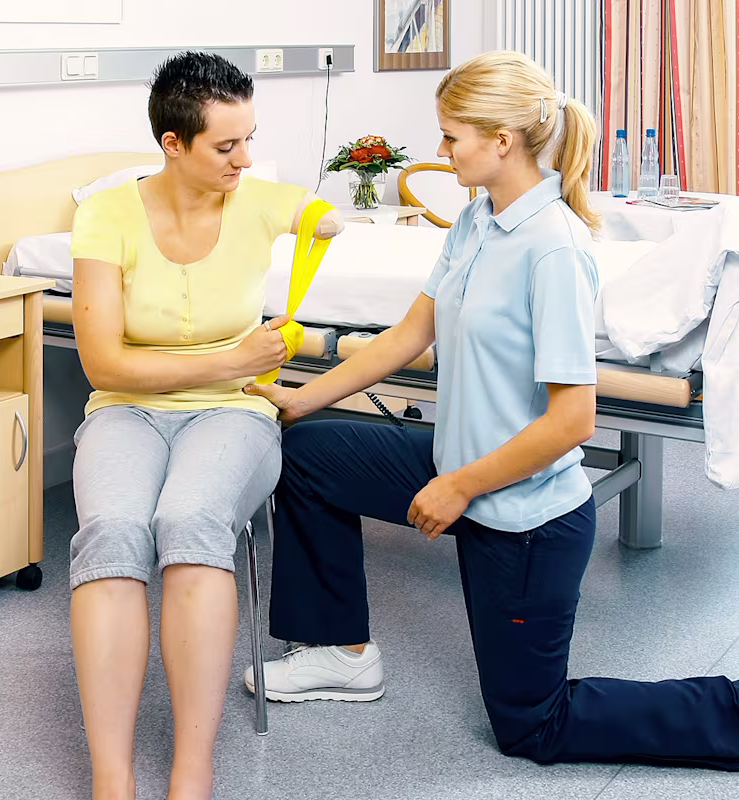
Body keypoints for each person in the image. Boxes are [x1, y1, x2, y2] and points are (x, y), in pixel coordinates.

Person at [243, 51, 739, 770]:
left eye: (451, 137)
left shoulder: (555, 250)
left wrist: (460, 487)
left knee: (533, 726)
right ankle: (339, 653)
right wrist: (302, 398)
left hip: (525, 515)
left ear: (501, 141)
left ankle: (727, 714)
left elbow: (573, 422)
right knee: (312, 455)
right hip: (457, 466)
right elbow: (412, 334)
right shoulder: (478, 220)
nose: (442, 154)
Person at [69, 51, 343, 800]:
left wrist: (328, 219)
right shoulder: (105, 214)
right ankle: (111, 777)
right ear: (172, 144)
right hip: (125, 412)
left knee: (189, 521)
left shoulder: (254, 198)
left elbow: (313, 212)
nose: (244, 159)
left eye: (250, 138)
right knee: (114, 532)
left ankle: (193, 769)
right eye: (228, 146)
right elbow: (105, 367)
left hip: (236, 412)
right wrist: (235, 355)